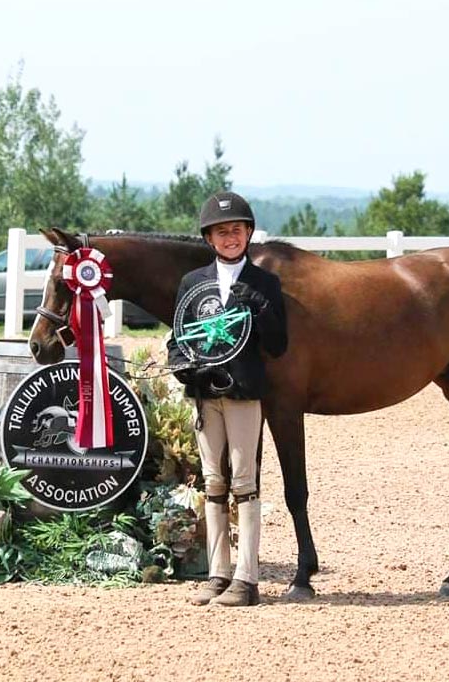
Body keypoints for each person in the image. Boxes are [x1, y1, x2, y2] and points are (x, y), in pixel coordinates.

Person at [167, 191, 288, 607]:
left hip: (242, 392)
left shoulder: (264, 283)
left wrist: (259, 306)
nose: (230, 237)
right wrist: (180, 362)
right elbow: (178, 336)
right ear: (209, 239)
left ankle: (247, 578)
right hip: (204, 392)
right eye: (222, 232)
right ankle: (218, 572)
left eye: (236, 230)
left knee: (244, 482)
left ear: (248, 234)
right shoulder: (192, 284)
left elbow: (278, 345)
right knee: (212, 482)